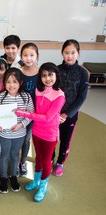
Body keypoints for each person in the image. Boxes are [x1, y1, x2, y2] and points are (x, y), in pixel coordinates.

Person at [15, 62, 65, 202]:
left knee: (46, 160)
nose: (47, 78)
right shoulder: (38, 90)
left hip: (50, 133)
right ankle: (36, 181)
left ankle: (43, 186)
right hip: (37, 131)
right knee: (38, 158)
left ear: (56, 75)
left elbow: (48, 118)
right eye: (43, 75)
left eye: (50, 75)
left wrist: (24, 114)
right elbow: (37, 110)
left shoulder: (60, 95)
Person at [52, 39, 89, 177]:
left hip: (70, 115)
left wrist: (67, 114)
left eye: (73, 53)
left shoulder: (82, 73)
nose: (70, 56)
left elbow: (81, 97)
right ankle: (50, 159)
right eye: (66, 53)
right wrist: (55, 113)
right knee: (52, 138)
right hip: (54, 114)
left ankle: (60, 162)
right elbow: (51, 91)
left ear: (78, 53)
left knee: (65, 140)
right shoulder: (56, 70)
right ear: (62, 53)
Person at [0, 68, 33, 194]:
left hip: (20, 133)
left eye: (15, 82)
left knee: (15, 155)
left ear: (20, 82)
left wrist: (21, 124)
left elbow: (30, 114)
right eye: (8, 82)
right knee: (4, 155)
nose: (11, 85)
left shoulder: (26, 96)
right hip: (4, 133)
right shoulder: (0, 97)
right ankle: (3, 178)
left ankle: (13, 177)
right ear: (4, 83)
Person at [18, 43, 40, 176]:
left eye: (32, 55)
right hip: (18, 112)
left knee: (26, 139)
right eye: (25, 55)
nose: (28, 58)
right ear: (21, 57)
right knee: (17, 138)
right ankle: (15, 161)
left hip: (33, 114)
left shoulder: (41, 73)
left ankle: (23, 161)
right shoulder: (19, 73)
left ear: (37, 56)